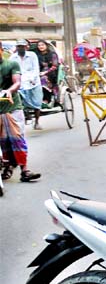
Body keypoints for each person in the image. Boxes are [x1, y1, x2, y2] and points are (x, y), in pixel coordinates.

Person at [0, 48, 41, 182]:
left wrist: (9, 91)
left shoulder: (11, 64)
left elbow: (17, 82)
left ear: (1, 50)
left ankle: (24, 170)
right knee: (3, 141)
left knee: (17, 138)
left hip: (13, 106)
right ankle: (7, 166)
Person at [10, 39, 43, 130]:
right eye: (19, 46)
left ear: (26, 47)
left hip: (33, 82)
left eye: (22, 46)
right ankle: (24, 115)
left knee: (37, 102)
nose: (21, 48)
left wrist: (33, 79)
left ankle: (37, 121)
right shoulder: (13, 57)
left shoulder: (32, 55)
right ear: (17, 47)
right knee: (18, 100)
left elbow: (36, 69)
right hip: (20, 82)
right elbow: (10, 69)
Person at [35, 40, 59, 105]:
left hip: (51, 73)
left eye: (42, 45)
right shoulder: (37, 55)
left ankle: (46, 99)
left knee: (43, 79)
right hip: (39, 72)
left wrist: (45, 72)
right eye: (39, 45)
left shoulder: (53, 54)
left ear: (46, 46)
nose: (40, 46)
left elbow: (55, 66)